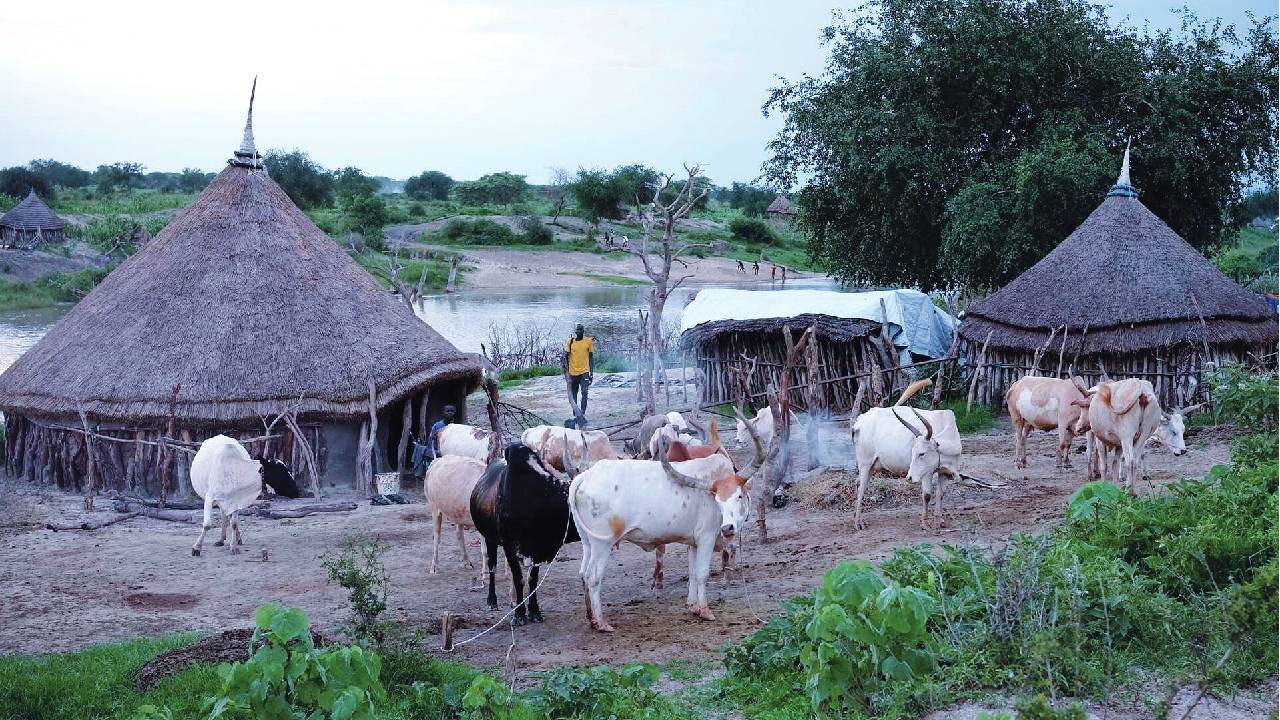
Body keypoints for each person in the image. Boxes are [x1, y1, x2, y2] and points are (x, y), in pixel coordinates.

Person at [564, 324, 594, 421]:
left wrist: (591, 373)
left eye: (581, 330)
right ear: (575, 331)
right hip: (573, 372)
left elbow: (591, 358)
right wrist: (567, 372)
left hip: (584, 372)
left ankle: (583, 412)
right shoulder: (570, 341)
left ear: (583, 331)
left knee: (585, 392)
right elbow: (566, 357)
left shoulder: (588, 341)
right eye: (577, 330)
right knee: (574, 393)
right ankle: (576, 412)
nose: (579, 332)